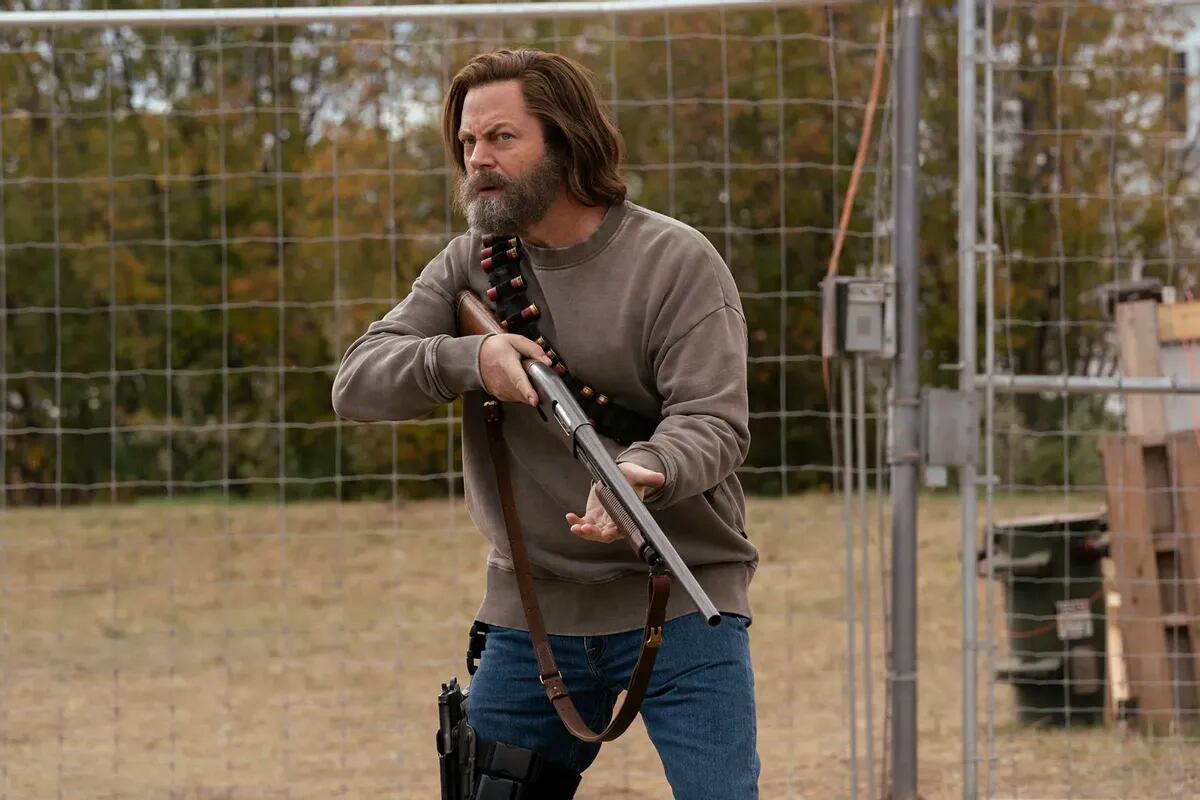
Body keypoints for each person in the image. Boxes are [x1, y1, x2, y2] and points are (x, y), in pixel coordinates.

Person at [332, 48, 760, 799]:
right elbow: (356, 383)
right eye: (469, 142)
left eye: (502, 137)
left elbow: (714, 420)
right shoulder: (468, 265)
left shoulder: (674, 261)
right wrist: (471, 358)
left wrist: (643, 472)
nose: (478, 159)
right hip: (531, 615)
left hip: (683, 601)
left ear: (565, 143)